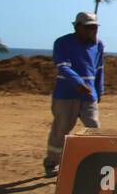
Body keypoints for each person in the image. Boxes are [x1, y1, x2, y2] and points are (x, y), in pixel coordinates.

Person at [43, 11, 105, 177]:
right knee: (62, 129)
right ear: (77, 27)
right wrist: (78, 83)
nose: (91, 31)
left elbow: (99, 69)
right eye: (88, 28)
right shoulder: (63, 43)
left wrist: (99, 90)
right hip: (66, 95)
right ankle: (52, 162)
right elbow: (63, 66)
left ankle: (96, 162)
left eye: (94, 28)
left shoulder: (97, 45)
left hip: (89, 95)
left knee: (94, 128)